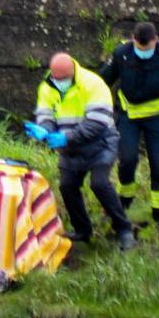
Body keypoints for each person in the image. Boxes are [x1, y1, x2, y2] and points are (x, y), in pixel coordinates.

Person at [24, 52, 136, 250]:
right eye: (56, 79)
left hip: (100, 143)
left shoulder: (94, 84)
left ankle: (124, 230)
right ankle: (83, 231)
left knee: (99, 183)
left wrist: (65, 137)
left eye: (63, 79)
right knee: (67, 186)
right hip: (70, 148)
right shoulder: (47, 86)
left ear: (72, 72)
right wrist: (45, 131)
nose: (59, 83)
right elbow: (46, 115)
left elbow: (97, 123)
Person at [99, 22, 159, 231]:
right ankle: (123, 203)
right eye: (140, 50)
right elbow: (102, 80)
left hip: (156, 119)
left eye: (148, 49)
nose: (144, 53)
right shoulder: (121, 53)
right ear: (133, 39)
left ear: (155, 40)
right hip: (128, 116)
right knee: (127, 160)